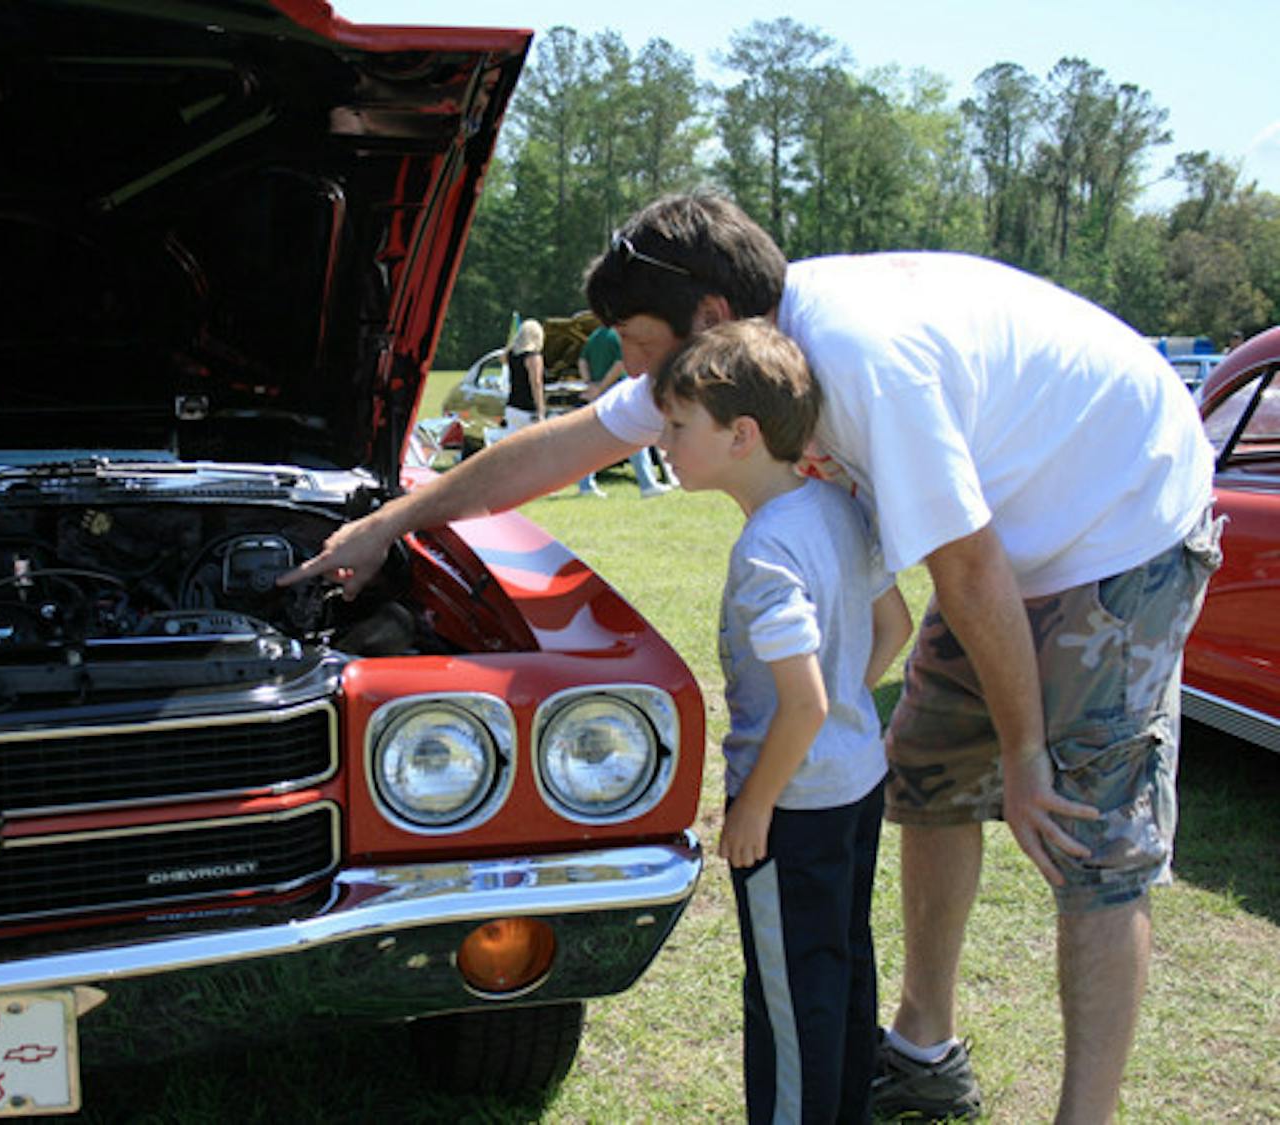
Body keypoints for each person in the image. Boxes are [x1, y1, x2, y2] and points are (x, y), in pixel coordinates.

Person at [282, 192, 1218, 1124]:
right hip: (999, 531)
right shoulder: (736, 368)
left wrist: (1023, 755)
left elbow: (968, 571)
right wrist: (393, 520)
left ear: (713, 316)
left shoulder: (860, 365)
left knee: (1091, 840)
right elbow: (564, 447)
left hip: (1118, 505)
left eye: (641, 343)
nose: (635, 372)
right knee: (929, 776)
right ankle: (925, 1050)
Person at [657, 318, 911, 1122]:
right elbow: (895, 626)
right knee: (839, 965)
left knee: (788, 999)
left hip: (793, 811)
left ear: (741, 434)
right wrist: (846, 706)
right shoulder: (837, 506)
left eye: (677, 424)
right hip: (856, 783)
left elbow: (800, 703)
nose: (663, 440)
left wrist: (756, 803)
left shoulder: (767, 550)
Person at [576, 323, 670, 498]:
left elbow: (582, 361)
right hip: (617, 391)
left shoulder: (594, 336)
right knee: (635, 433)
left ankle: (585, 485)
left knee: (594, 440)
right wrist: (602, 387)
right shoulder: (618, 336)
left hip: (598, 392)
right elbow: (620, 364)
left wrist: (589, 384)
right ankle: (647, 483)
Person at [503, 318, 545, 433]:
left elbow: (503, 357)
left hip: (512, 407)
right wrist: (541, 411)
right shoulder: (533, 357)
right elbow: (536, 383)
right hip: (528, 410)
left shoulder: (511, 354)